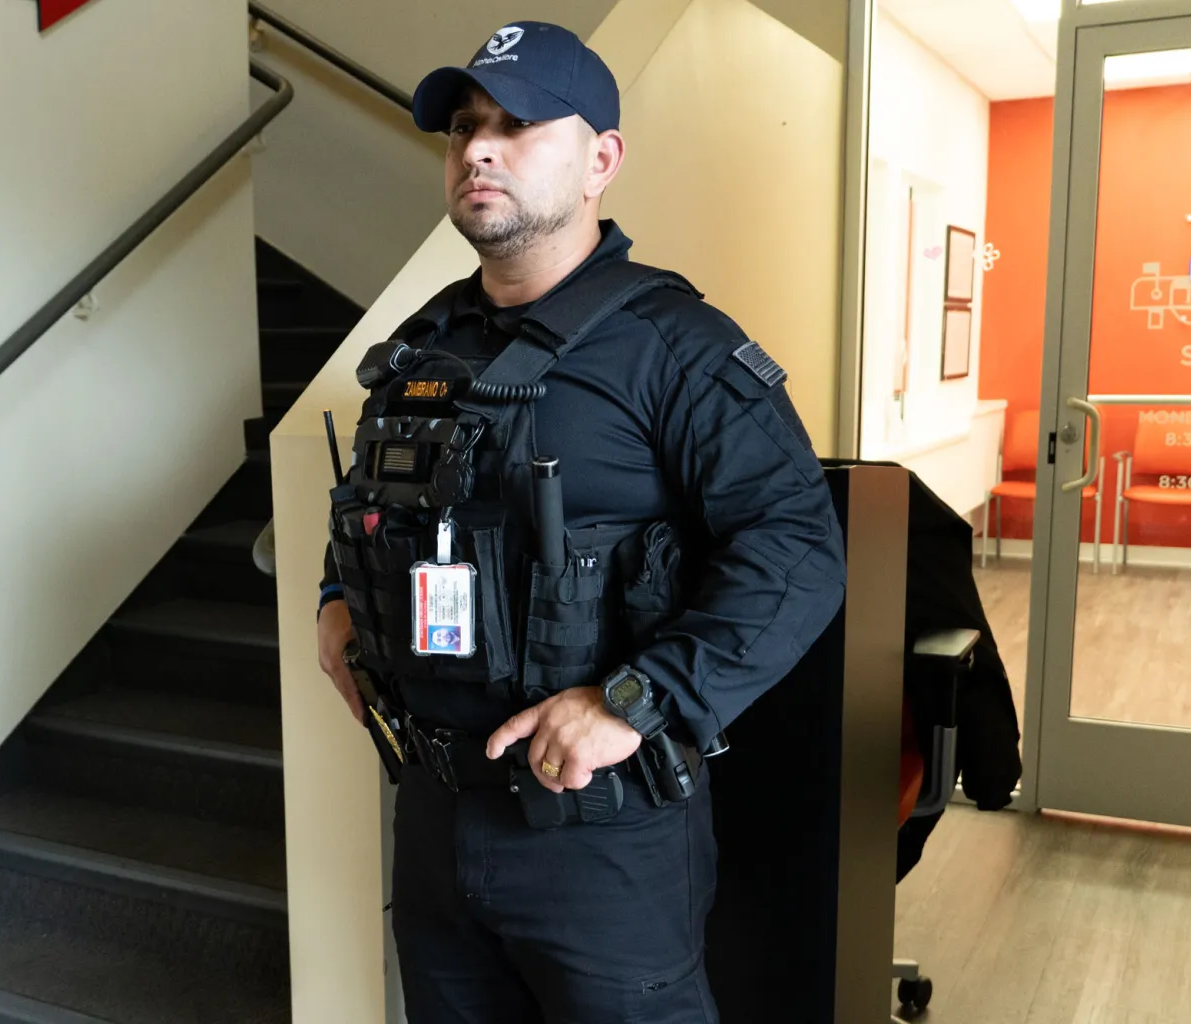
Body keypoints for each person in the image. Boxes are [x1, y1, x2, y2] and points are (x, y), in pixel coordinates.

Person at [315, 20, 846, 1023]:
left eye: (517, 124)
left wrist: (634, 700)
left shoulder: (677, 349)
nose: (478, 148)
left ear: (602, 159)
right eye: (464, 127)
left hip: (601, 840)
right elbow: (374, 507)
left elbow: (799, 551)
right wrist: (336, 598)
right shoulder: (423, 345)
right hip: (433, 818)